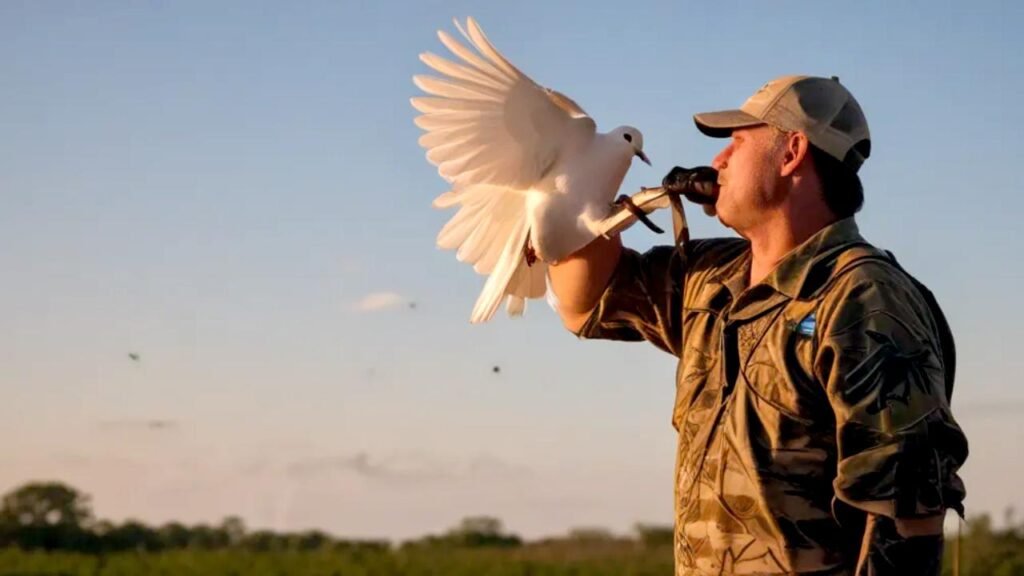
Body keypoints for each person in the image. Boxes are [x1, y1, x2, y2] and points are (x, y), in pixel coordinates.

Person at [548, 75, 968, 575]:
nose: (719, 161)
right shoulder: (710, 279)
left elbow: (905, 515)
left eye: (737, 143)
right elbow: (585, 303)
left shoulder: (863, 298)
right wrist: (600, 194)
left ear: (791, 153)